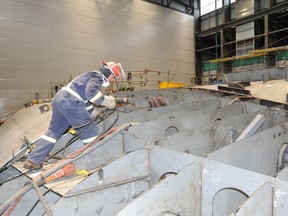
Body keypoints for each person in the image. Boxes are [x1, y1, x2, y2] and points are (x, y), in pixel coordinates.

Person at [23, 61, 125, 170]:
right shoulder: (97, 76)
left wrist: (94, 113)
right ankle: (95, 161)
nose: (112, 80)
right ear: (108, 73)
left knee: (53, 132)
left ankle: (33, 160)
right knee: (89, 131)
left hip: (60, 100)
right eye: (113, 78)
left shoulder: (88, 75)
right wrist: (108, 101)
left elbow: (84, 100)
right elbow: (91, 94)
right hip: (70, 102)